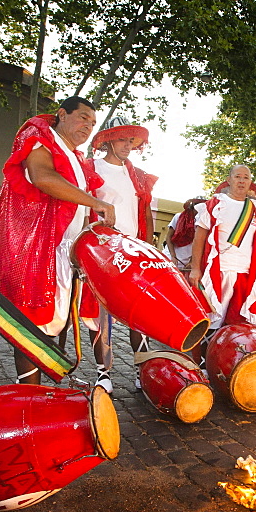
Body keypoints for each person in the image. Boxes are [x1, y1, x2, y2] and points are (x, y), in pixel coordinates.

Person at [0, 97, 115, 387]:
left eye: (93, 123)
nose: (88, 127)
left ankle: (43, 388)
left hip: (65, 251)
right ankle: (28, 393)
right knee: (34, 323)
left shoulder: (76, 157)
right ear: (61, 115)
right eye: (82, 118)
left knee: (56, 321)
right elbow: (42, 177)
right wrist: (95, 202)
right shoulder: (39, 135)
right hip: (37, 247)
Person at [88, 116, 158, 391]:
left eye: (131, 140)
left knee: (138, 312)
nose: (128, 145)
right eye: (121, 139)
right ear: (107, 139)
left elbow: (146, 214)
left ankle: (143, 369)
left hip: (134, 249)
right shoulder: (90, 168)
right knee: (100, 312)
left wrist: (148, 247)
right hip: (102, 249)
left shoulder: (138, 175)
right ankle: (103, 372)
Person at [189, 165, 256, 352]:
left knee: (237, 323)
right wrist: (195, 268)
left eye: (246, 177)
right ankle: (203, 364)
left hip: (246, 274)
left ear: (250, 182)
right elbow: (199, 239)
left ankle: (224, 364)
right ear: (229, 179)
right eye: (238, 176)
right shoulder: (215, 204)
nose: (241, 181)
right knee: (212, 319)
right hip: (218, 271)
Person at [167, 197, 206, 277]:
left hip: (187, 264)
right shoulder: (178, 217)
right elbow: (168, 238)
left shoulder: (203, 222)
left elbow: (200, 243)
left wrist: (192, 262)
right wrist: (173, 256)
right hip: (170, 259)